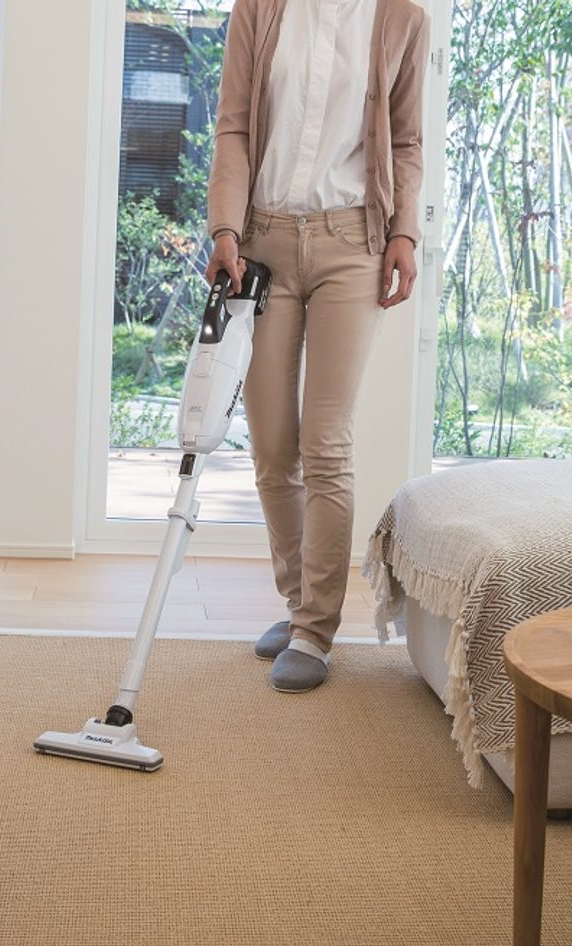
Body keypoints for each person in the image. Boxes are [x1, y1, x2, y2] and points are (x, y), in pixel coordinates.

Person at [205, 0, 431, 692]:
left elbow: (406, 141)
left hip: (352, 245)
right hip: (263, 243)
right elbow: (234, 126)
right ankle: (299, 600)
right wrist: (225, 230)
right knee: (273, 443)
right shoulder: (260, 10)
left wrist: (404, 233)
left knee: (326, 441)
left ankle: (315, 629)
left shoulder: (402, 18)